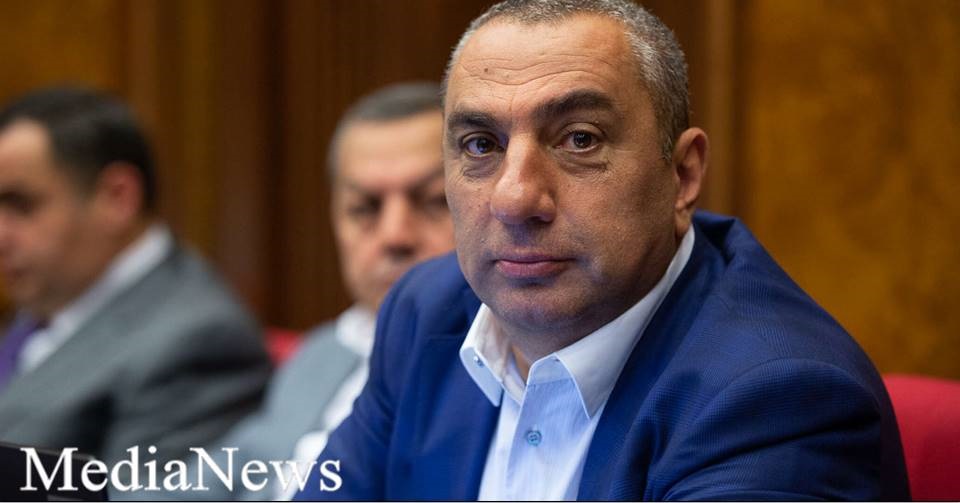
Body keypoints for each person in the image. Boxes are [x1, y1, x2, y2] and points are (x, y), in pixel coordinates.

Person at [296, 0, 910, 500]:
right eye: (481, 145)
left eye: (580, 139)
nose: (515, 198)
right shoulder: (424, 311)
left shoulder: (777, 401)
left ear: (683, 174)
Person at [169, 82, 454, 500]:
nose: (395, 236)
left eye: (435, 201)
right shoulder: (324, 350)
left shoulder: (496, 368)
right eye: (364, 208)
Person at [0, 87, 271, 470]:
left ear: (117, 197)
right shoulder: (49, 301)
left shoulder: (198, 341)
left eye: (21, 205)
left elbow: (139, 493)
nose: (2, 236)